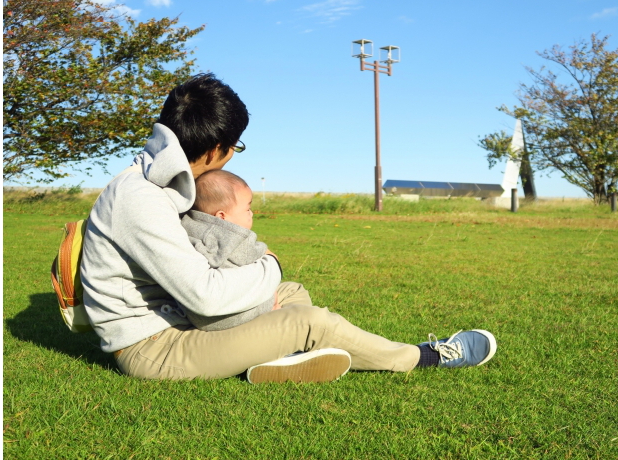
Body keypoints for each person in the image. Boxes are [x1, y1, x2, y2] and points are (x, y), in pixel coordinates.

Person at [80, 73, 497, 384]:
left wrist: (273, 281)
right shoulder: (140, 198)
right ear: (216, 149)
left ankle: (278, 361)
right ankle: (425, 356)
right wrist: (269, 266)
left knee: (290, 294)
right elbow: (204, 296)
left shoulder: (158, 180)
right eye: (235, 147)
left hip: (180, 320)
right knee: (308, 319)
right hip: (155, 346)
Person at [181, 169, 313, 331]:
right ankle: (293, 333)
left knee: (292, 290)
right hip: (232, 316)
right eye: (247, 209)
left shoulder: (188, 226)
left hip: (198, 317)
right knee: (275, 297)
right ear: (222, 216)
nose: (251, 213)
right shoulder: (234, 237)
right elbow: (260, 256)